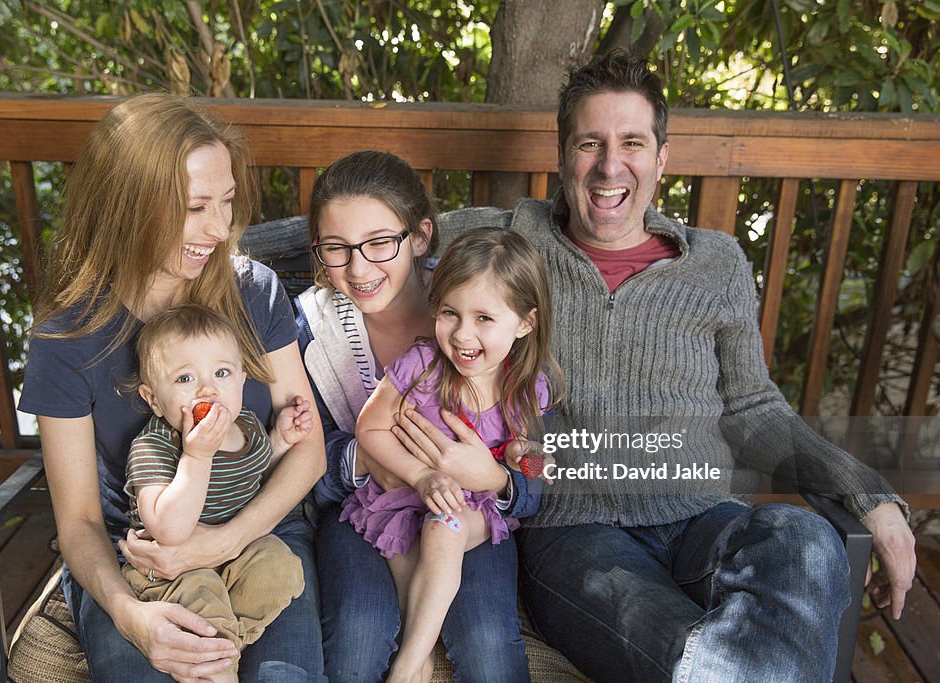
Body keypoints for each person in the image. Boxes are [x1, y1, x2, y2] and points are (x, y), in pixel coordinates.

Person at [389, 52, 917, 682]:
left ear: (661, 158)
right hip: (576, 534)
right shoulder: (513, 243)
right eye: (591, 143)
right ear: (563, 157)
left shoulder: (716, 262)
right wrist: (237, 244)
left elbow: (755, 410)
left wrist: (870, 497)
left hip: (705, 520)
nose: (611, 166)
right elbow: (376, 228)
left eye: (632, 142)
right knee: (697, 647)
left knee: (805, 541)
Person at [18, 93, 327, 683]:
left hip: (260, 530)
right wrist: (130, 614)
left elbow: (307, 447)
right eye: (195, 208)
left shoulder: (253, 292)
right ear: (128, 207)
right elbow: (80, 520)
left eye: (228, 202)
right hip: (136, 555)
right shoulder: (67, 337)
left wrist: (223, 542)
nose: (220, 229)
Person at [295, 150, 541, 682]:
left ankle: (417, 652)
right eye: (336, 248)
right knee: (357, 639)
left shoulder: (481, 301)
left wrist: (499, 476)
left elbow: (537, 469)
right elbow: (302, 461)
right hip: (366, 507)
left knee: (486, 642)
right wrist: (377, 461)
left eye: (380, 242)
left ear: (421, 235)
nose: (359, 268)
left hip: (468, 508)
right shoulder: (311, 331)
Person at [345, 228, 561, 682]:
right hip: (404, 501)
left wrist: (528, 459)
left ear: (525, 323)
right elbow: (369, 427)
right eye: (450, 313)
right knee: (423, 560)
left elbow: (533, 461)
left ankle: (407, 665)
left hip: (474, 508)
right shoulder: (421, 366)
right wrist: (422, 476)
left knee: (447, 527)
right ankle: (419, 653)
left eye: (484, 318)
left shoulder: (525, 386)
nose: (463, 334)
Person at [121, 304, 313, 683]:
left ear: (242, 380)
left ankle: (227, 643)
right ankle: (218, 670)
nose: (207, 388)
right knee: (202, 593)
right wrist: (197, 455)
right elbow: (170, 531)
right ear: (153, 399)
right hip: (170, 571)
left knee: (282, 566)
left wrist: (279, 441)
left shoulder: (246, 426)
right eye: (184, 379)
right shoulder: (154, 448)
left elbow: (254, 473)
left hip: (236, 554)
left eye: (222, 373)